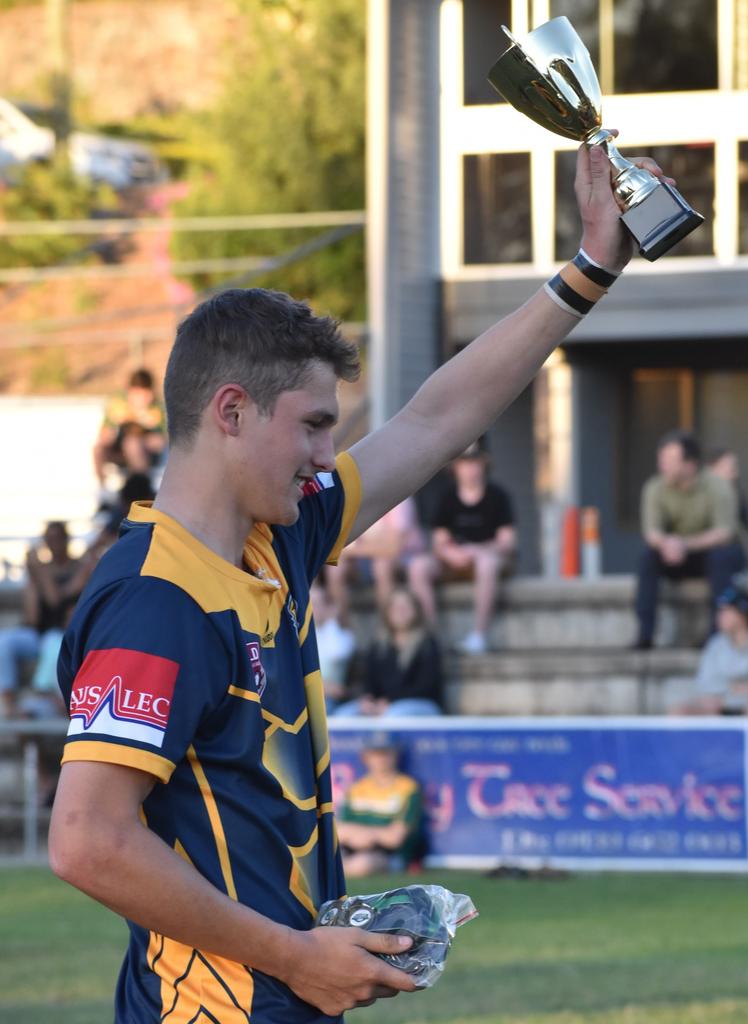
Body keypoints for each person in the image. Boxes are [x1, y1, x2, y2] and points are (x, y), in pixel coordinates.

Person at [49, 142, 670, 1022]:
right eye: (309, 427)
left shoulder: (277, 540)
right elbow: (86, 842)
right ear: (230, 412)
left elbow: (437, 416)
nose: (320, 458)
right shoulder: (159, 599)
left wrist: (591, 269)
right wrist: (297, 957)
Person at [633, 430, 747, 649]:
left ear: (690, 464)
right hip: (675, 554)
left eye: (670, 460)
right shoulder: (654, 487)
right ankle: (645, 634)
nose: (663, 465)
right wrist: (668, 544)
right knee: (647, 557)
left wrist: (684, 544)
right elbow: (651, 532)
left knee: (722, 557)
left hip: (711, 553)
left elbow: (724, 532)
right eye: (661, 459)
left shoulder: (717, 486)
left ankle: (715, 636)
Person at [408, 439, 516, 654]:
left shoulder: (498, 496)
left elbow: (507, 542)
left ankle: (479, 635)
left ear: (484, 464)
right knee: (418, 566)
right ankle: (432, 635)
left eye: (475, 463)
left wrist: (480, 550)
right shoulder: (446, 497)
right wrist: (451, 553)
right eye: (465, 464)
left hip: (487, 559)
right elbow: (439, 541)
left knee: (487, 563)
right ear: (455, 467)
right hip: (454, 561)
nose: (470, 470)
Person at [0, 522, 92, 717]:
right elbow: (31, 617)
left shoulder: (79, 567)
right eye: (49, 539)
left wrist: (39, 572)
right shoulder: (40, 571)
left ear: (66, 539)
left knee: (52, 641)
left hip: (63, 633)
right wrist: (34, 580)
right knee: (4, 641)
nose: (53, 543)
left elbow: (56, 598)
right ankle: (7, 702)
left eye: (57, 538)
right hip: (37, 633)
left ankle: (41, 693)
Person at [333, 587, 443, 717]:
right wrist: (369, 700)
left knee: (393, 714)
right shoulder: (378, 645)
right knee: (343, 714)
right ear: (387, 612)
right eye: (396, 607)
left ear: (416, 610)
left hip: (422, 704)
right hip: (384, 705)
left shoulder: (427, 644)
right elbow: (369, 681)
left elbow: (426, 687)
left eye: (405, 607)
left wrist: (390, 701)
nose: (401, 612)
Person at [324, 496, 425, 623]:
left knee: (381, 565)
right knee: (335, 568)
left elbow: (392, 549)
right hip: (366, 560)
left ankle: (387, 627)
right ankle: (341, 629)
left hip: (404, 557)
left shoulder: (399, 498)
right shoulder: (358, 497)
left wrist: (352, 549)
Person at [336, 732, 424, 878]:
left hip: (390, 856)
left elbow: (395, 838)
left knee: (362, 865)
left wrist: (367, 835)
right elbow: (340, 831)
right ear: (365, 757)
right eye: (376, 754)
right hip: (352, 849)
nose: (381, 759)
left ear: (396, 755)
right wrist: (371, 835)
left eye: (386, 753)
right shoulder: (356, 788)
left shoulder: (408, 788)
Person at [671, 585, 748, 715]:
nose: (720, 616)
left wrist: (732, 695)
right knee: (681, 711)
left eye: (726, 611)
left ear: (743, 615)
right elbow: (705, 684)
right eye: (720, 611)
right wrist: (734, 690)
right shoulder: (716, 644)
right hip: (721, 704)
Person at [93, 367, 167, 487]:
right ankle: (103, 489)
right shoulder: (119, 406)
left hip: (146, 456)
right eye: (137, 394)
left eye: (145, 394)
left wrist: (144, 428)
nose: (142, 399)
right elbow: (104, 433)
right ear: (130, 391)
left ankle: (140, 489)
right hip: (120, 453)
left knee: (132, 444)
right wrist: (113, 431)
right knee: (98, 449)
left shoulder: (157, 410)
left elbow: (162, 442)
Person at [310, 581, 357, 713]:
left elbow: (335, 654)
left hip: (334, 700)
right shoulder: (295, 638)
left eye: (318, 604)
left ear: (330, 607)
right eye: (309, 604)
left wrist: (332, 619)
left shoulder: (344, 637)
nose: (312, 609)